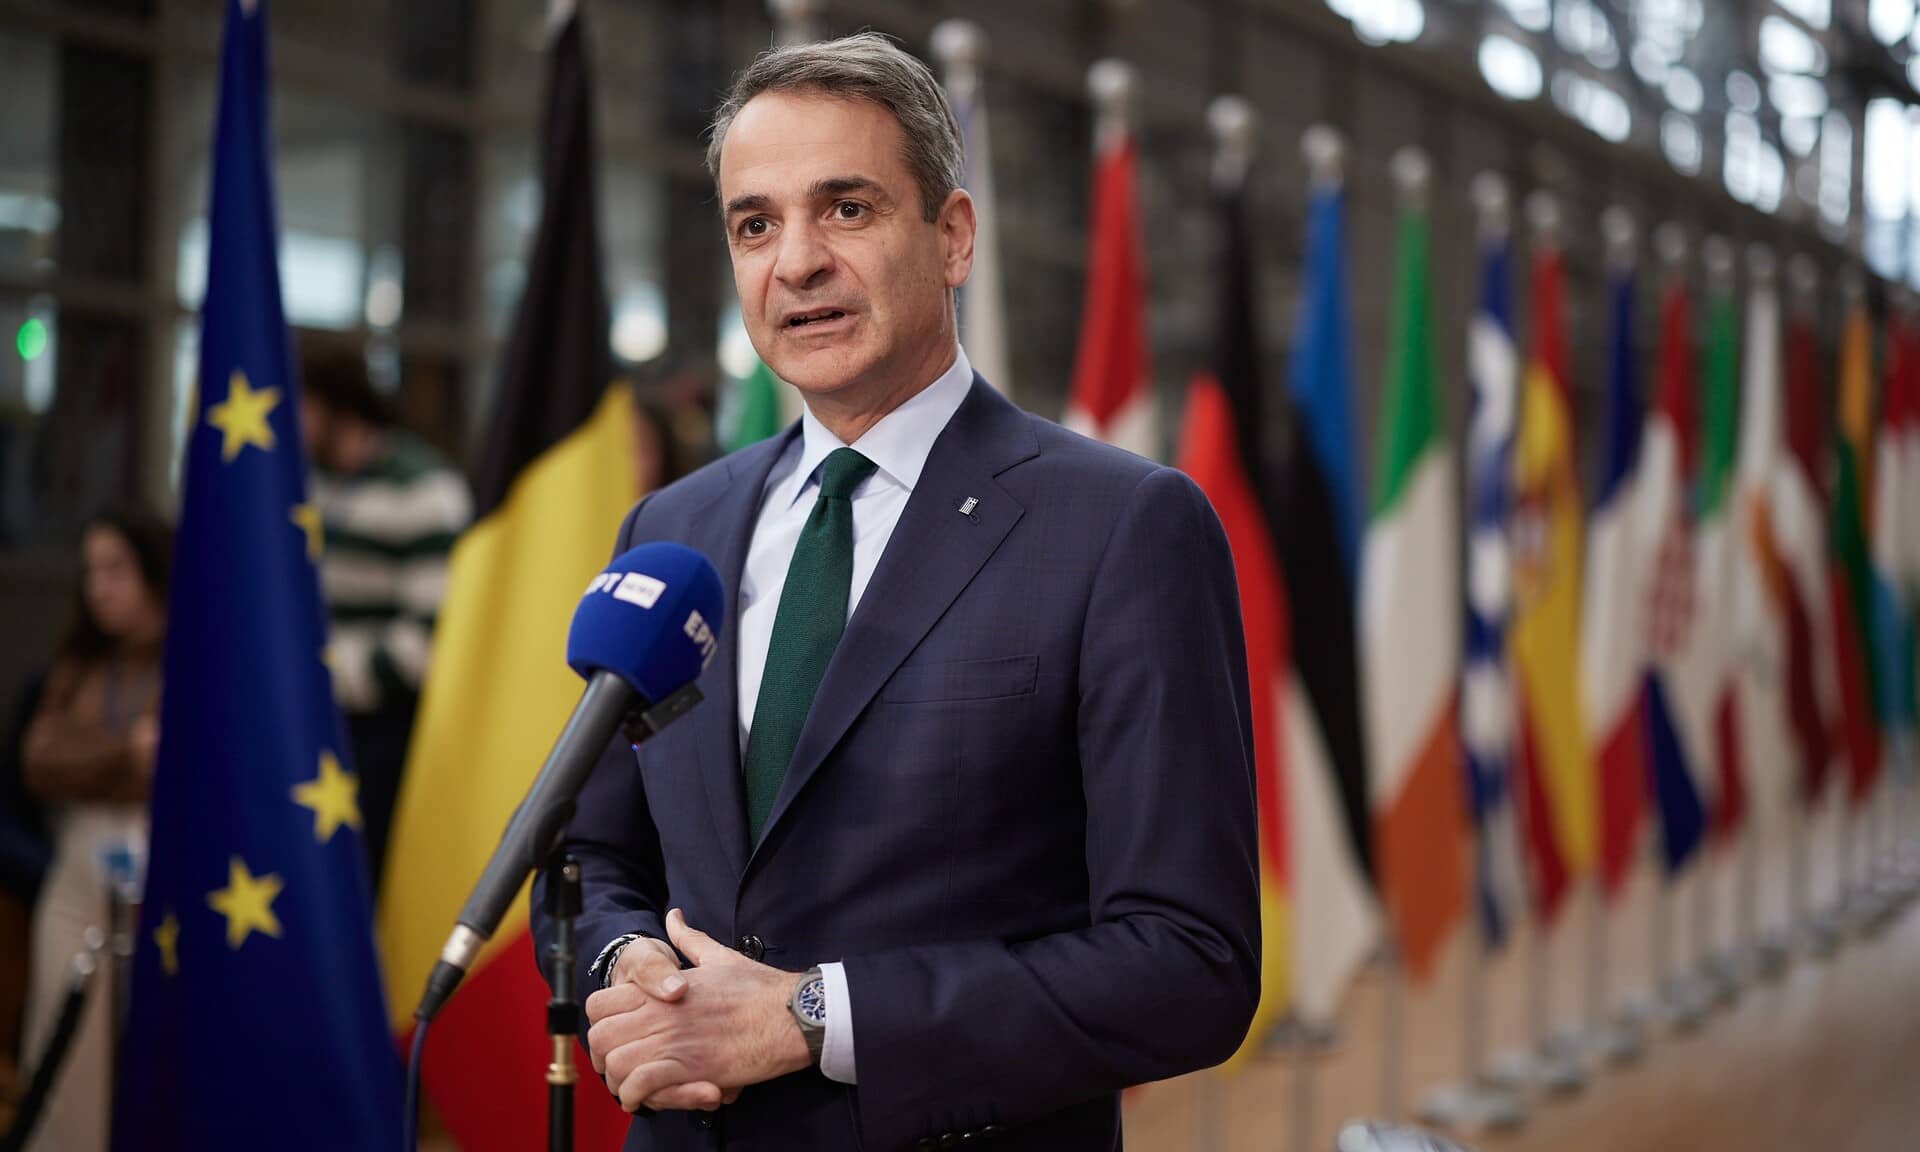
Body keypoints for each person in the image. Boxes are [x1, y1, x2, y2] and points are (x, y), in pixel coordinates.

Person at [533, 33, 1260, 1152]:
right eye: (755, 224)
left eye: (848, 209)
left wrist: (813, 1018)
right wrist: (628, 963)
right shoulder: (671, 531)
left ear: (953, 236)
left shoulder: (1123, 527)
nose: (797, 262)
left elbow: (1189, 963)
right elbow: (590, 857)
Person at [19, 507, 170, 1152]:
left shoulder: (193, 656)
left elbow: (176, 767)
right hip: (78, 873)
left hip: (162, 880)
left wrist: (98, 763)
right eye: (90, 572)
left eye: (116, 570)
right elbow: (40, 760)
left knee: (152, 1046)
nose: (99, 588)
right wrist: (124, 755)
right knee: (63, 1044)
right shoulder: (79, 661)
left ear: (152, 573)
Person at [299, 349, 471, 889]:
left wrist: (317, 674)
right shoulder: (301, 480)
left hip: (381, 735)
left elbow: (431, 640)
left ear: (333, 404)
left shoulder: (423, 490)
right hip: (304, 722)